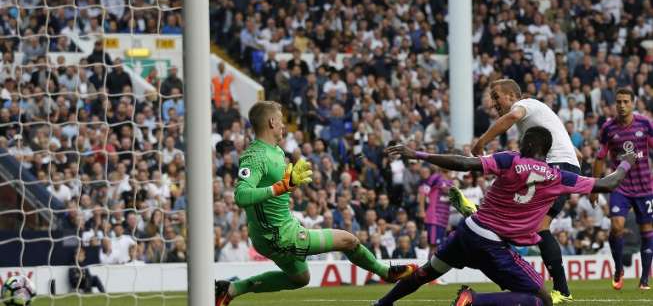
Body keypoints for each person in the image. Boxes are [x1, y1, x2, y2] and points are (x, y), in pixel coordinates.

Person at [373, 126, 635, 306]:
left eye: (522, 139)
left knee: (427, 272)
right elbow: (609, 184)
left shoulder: (509, 160)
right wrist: (627, 161)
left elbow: (464, 163)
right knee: (542, 299)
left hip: (469, 230)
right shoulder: (559, 177)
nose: (518, 142)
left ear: (532, 143)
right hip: (491, 242)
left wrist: (417, 154)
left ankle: (383, 302)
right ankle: (474, 300)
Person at [215, 101, 416, 305]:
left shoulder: (276, 151)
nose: (284, 126)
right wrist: (280, 188)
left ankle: (230, 289)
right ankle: (386, 272)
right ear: (272, 122)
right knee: (348, 241)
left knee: (301, 278)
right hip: (279, 235)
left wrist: (288, 185)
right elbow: (241, 195)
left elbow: (276, 188)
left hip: (276, 231)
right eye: (282, 121)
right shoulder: (255, 156)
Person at [469, 78, 580, 303]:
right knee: (530, 225)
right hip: (557, 167)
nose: (493, 103)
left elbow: (511, 117)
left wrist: (481, 142)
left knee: (539, 226)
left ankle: (563, 290)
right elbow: (574, 151)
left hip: (556, 167)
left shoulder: (527, 105)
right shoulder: (533, 121)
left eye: (496, 96)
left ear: (511, 95)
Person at [593, 87, 653, 290]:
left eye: (626, 101)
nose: (621, 105)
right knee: (617, 227)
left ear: (633, 103)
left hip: (645, 187)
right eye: (618, 101)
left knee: (647, 230)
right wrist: (594, 186)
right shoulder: (608, 128)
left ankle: (644, 279)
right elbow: (600, 157)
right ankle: (618, 269)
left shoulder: (645, 124)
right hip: (620, 187)